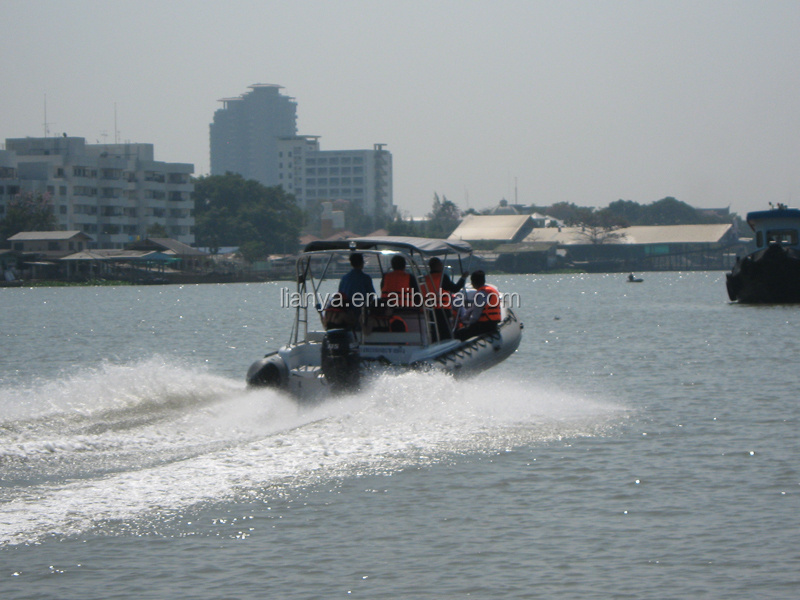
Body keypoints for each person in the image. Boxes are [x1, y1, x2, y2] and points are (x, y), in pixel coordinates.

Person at [423, 257, 468, 339]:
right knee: (445, 332)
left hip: (429, 309)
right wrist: (463, 278)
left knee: (433, 331)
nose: (442, 266)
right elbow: (455, 289)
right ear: (437, 266)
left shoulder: (425, 278)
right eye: (440, 264)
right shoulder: (442, 277)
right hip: (442, 309)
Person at [455, 270, 502, 341]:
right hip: (493, 323)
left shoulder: (481, 294)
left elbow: (476, 315)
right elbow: (473, 308)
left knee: (458, 334)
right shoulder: (490, 290)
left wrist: (467, 323)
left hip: (485, 325)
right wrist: (464, 318)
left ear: (473, 282)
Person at [336, 252, 375, 327]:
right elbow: (371, 296)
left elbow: (340, 295)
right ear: (362, 263)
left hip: (346, 310)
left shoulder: (344, 278)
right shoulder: (366, 278)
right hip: (361, 310)